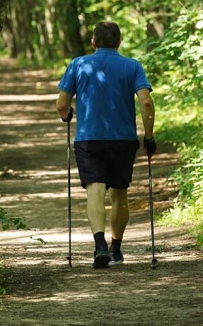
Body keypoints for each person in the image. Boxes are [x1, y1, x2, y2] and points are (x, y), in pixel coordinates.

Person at [56, 21, 156, 268]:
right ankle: (116, 249)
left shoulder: (78, 64)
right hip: (123, 139)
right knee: (119, 193)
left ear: (93, 42)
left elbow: (61, 103)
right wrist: (149, 137)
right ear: (119, 42)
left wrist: (66, 114)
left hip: (89, 139)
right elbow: (146, 103)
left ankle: (99, 246)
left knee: (95, 191)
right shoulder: (132, 66)